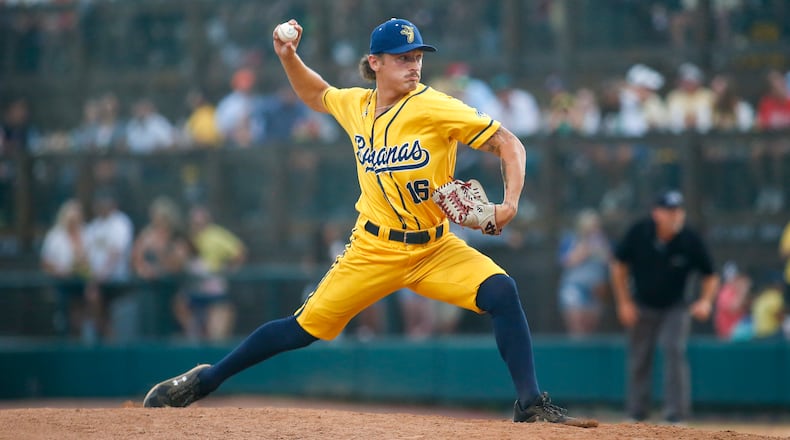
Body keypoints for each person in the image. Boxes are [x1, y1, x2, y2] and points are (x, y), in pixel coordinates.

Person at [143, 18, 597, 428]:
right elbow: (316, 94)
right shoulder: (357, 106)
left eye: (417, 56)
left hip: (435, 248)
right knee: (300, 330)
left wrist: (510, 203)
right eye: (403, 58)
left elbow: (508, 142)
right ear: (374, 63)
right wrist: (288, 56)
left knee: (502, 291)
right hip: (373, 249)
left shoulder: (436, 106)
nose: (414, 65)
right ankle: (207, 379)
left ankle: (529, 403)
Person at [610, 190, 719, 424]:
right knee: (640, 356)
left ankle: (675, 415)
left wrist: (706, 301)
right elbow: (618, 265)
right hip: (643, 303)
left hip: (676, 306)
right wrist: (624, 302)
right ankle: (636, 413)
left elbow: (710, 274)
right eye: (670, 211)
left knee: (673, 350)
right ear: (656, 213)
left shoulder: (689, 239)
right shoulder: (640, 232)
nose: (675, 216)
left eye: (679, 211)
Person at [173, 204, 246, 342]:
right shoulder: (187, 238)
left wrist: (230, 269)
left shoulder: (216, 235)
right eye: (194, 222)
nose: (197, 225)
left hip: (214, 290)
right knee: (181, 305)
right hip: (194, 290)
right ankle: (193, 337)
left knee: (215, 333)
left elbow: (239, 252)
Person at [40, 198, 91, 338]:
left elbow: (91, 261)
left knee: (86, 309)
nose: (74, 222)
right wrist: (60, 271)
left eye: (77, 218)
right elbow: (46, 263)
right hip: (61, 283)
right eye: (71, 219)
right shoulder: (55, 236)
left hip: (83, 282)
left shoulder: (87, 234)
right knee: (65, 315)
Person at [557, 209, 611, 337]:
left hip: (595, 289)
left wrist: (600, 249)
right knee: (577, 329)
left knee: (591, 329)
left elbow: (611, 262)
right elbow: (566, 262)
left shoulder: (603, 241)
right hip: (575, 287)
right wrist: (584, 249)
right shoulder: (571, 239)